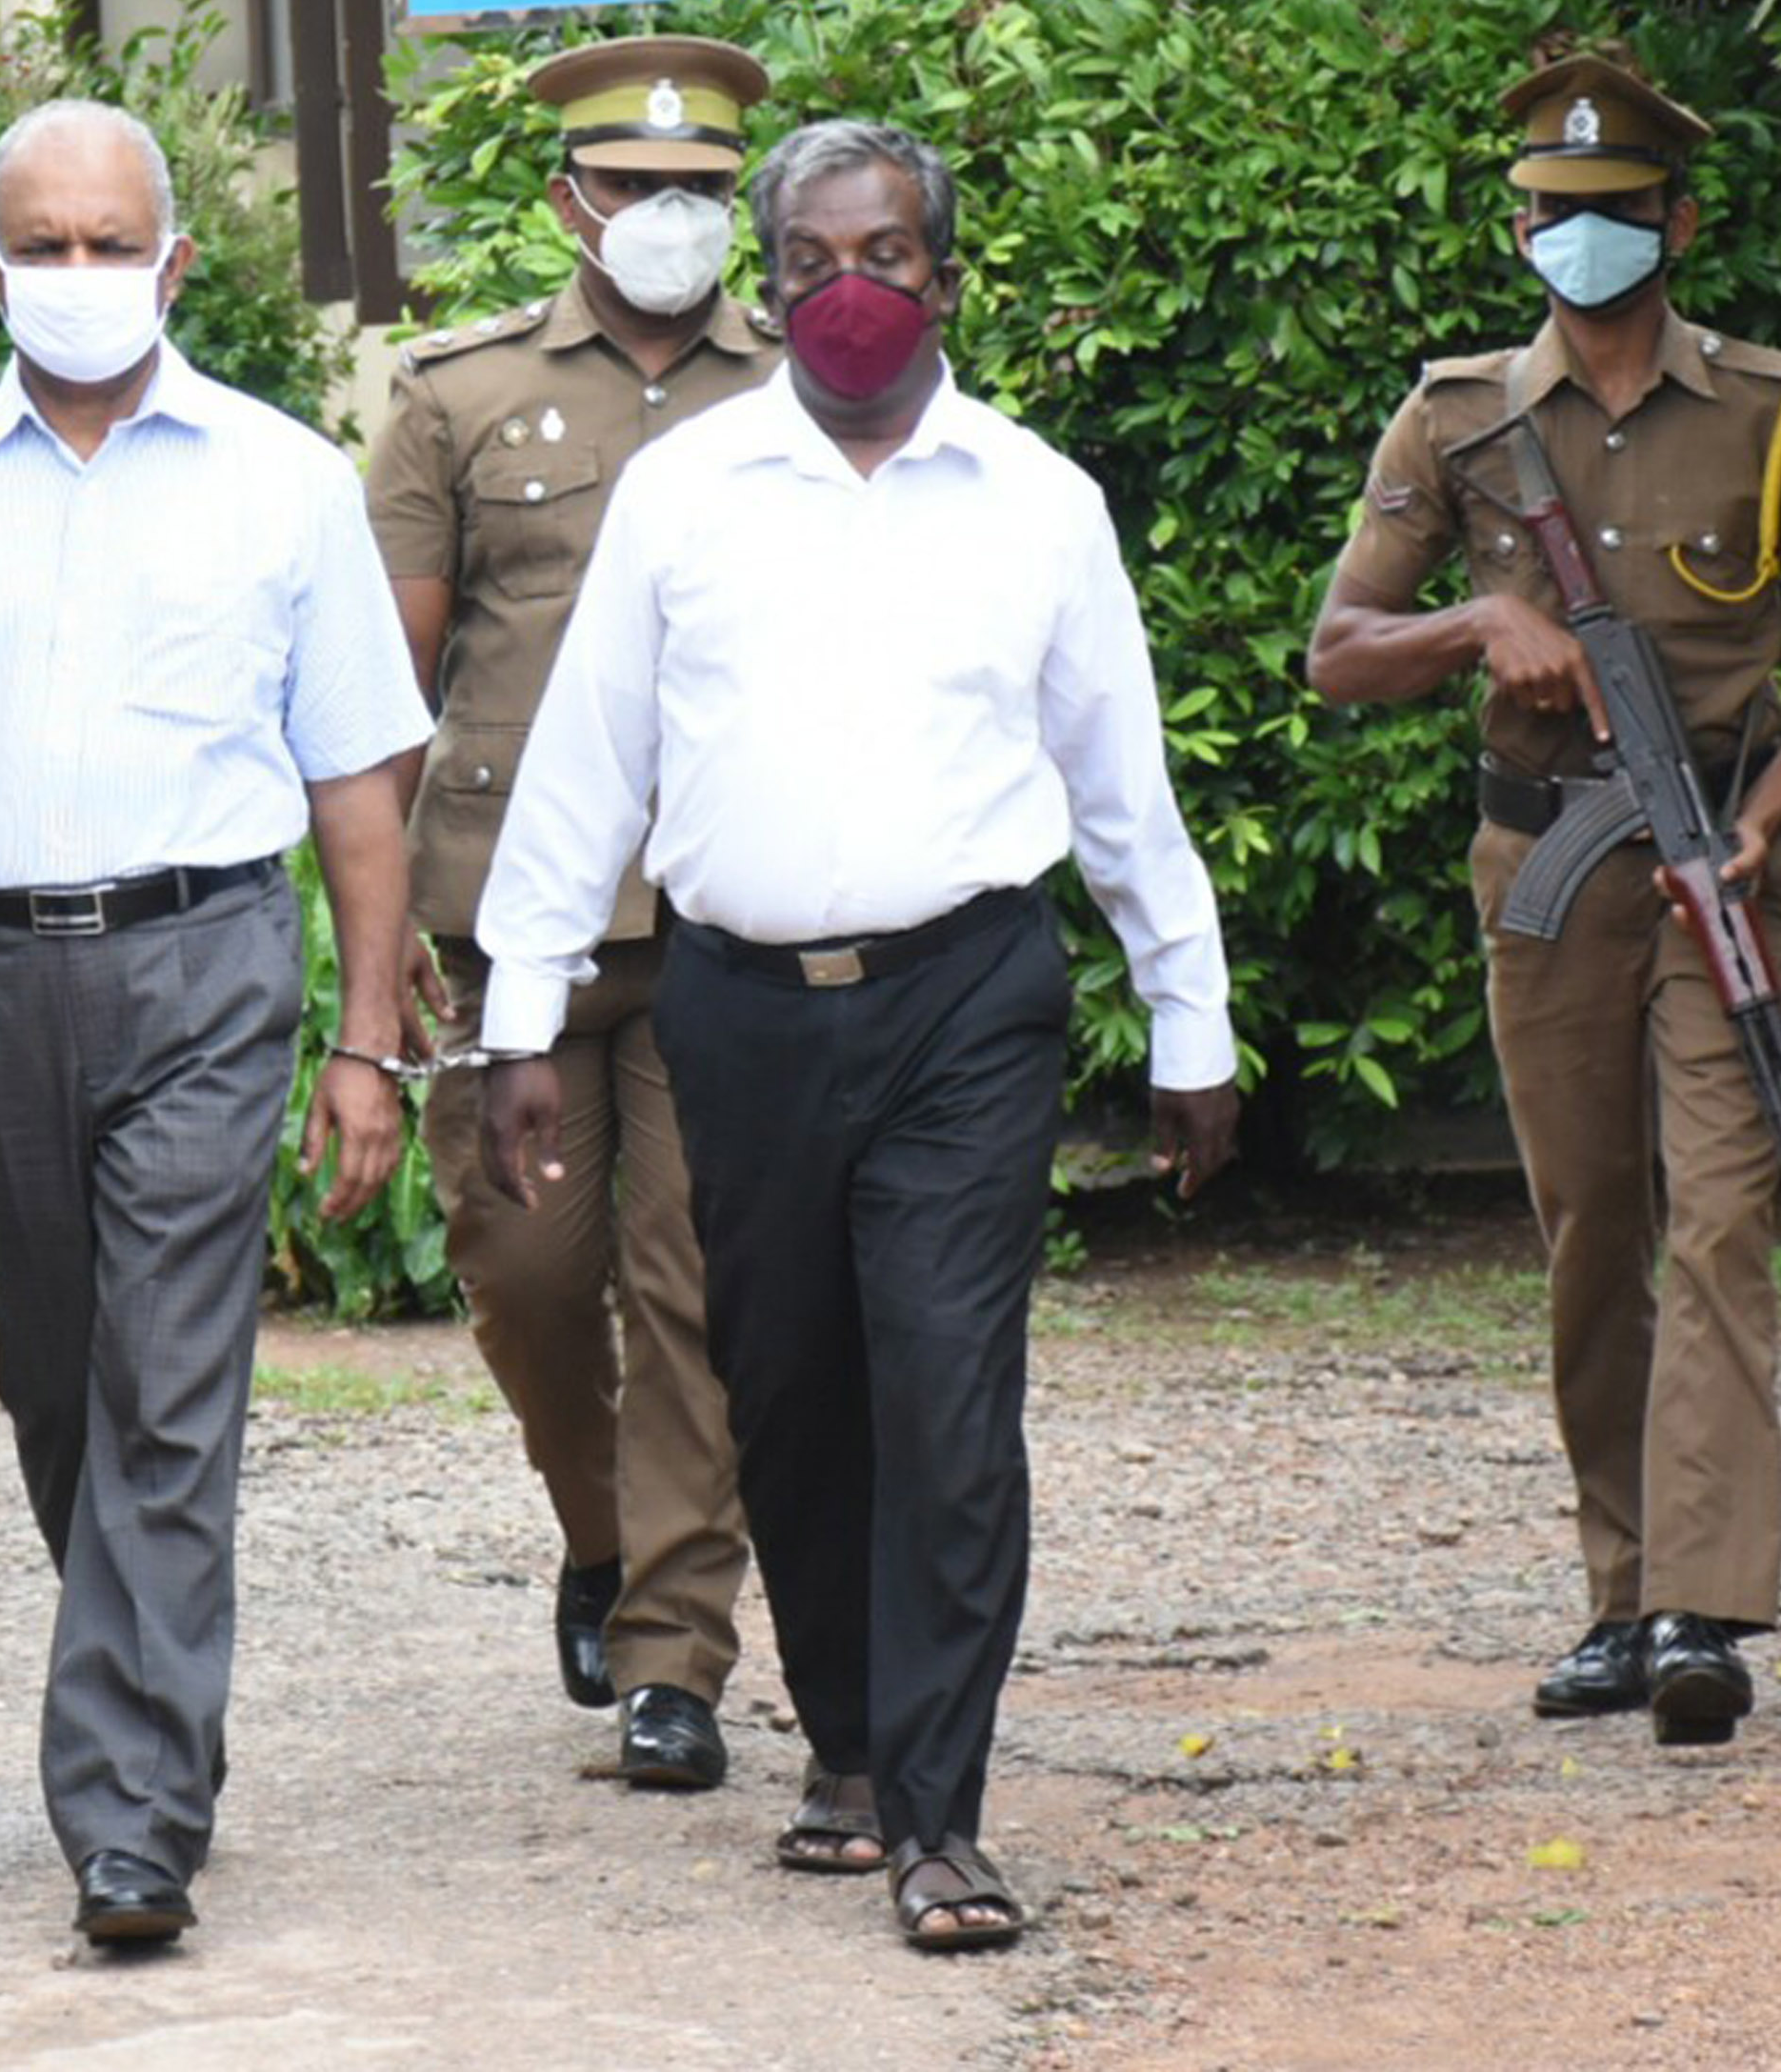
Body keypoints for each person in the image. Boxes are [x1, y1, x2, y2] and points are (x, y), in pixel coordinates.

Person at [476, 119, 1241, 1949]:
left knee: (950, 1395)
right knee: (792, 1394)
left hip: (965, 1003)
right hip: (735, 1010)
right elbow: (589, 765)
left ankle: (939, 1813)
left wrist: (1186, 1019)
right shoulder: (688, 490)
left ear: (945, 277)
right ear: (771, 280)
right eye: (808, 262)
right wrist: (524, 1014)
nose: (845, 293)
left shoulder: (1038, 499)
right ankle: (843, 1745)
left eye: (881, 255)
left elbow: (1121, 787)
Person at [0, 98, 430, 1946]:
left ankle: (129, 1816)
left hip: (209, 963)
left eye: (107, 242)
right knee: (57, 1375)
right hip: (1, 980)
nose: (76, 276)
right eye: (39, 247)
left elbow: (364, 779)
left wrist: (369, 1039)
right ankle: (145, 1675)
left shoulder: (282, 481)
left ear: (173, 260)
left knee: (163, 1382)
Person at [1308, 51, 1781, 1746]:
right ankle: (1619, 1592)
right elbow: (1337, 653)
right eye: (1556, 215)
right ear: (1520, 226)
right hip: (1549, 877)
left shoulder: (1777, 410)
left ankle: (1699, 1615)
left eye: (1619, 214)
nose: (1587, 239)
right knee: (1595, 1236)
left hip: (1721, 866)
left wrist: (1766, 818)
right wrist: (1474, 629)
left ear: (1680, 222)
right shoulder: (1457, 422)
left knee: (1722, 1219)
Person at [362, 33, 770, 1786]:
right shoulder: (457, 399)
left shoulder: (806, 393)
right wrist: (371, 963)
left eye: (701, 193)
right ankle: (600, 1535)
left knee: (697, 1289)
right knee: (530, 1278)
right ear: (567, 202)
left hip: (729, 915)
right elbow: (379, 700)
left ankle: (676, 1650)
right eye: (636, 190)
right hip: (506, 928)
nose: (670, 219)